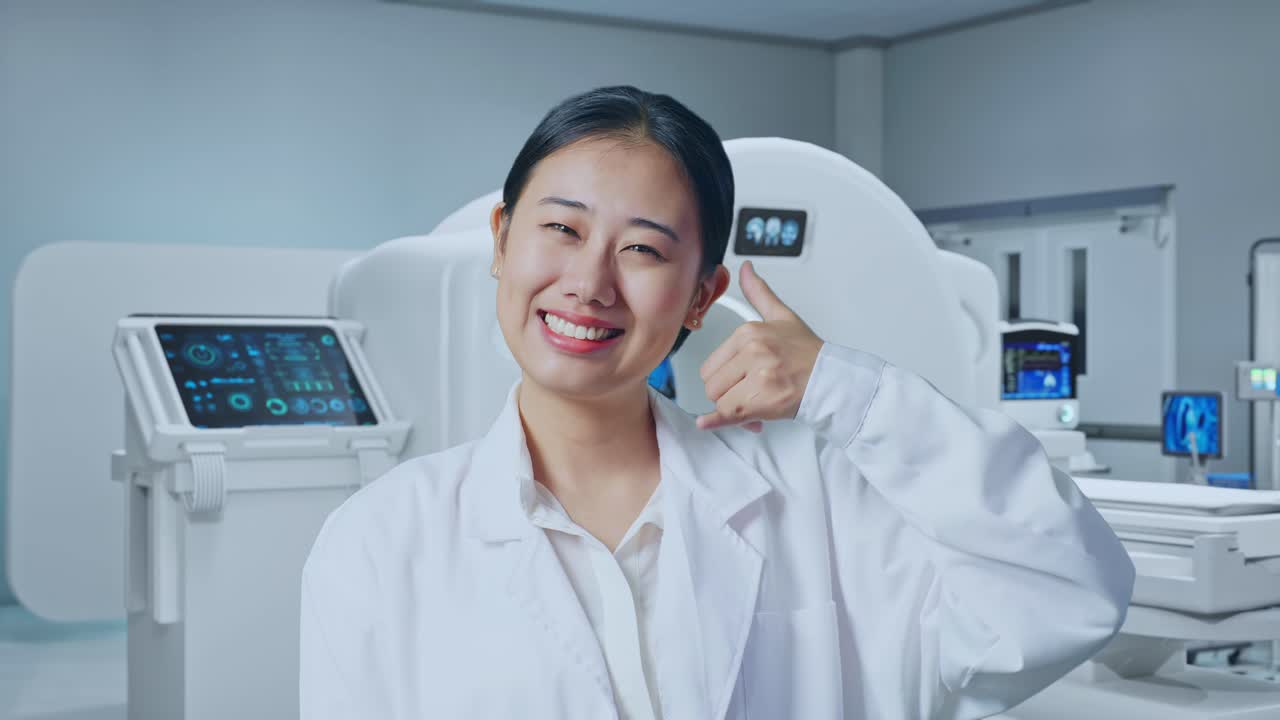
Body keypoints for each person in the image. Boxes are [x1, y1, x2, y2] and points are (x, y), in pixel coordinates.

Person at [300, 86, 1134, 720]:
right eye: (562, 230)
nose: (589, 284)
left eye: (642, 249)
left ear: (702, 297)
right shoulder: (381, 541)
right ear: (500, 239)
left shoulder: (818, 500)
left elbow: (1068, 586)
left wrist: (846, 389)